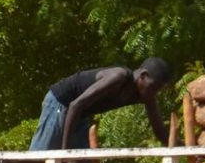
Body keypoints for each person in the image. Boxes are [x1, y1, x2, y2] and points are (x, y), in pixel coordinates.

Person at [30, 57, 173, 153]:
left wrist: (189, 147)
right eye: (154, 87)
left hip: (78, 115)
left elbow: (161, 133)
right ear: (143, 76)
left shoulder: (146, 95)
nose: (155, 93)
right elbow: (75, 105)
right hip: (61, 103)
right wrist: (67, 153)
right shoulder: (119, 77)